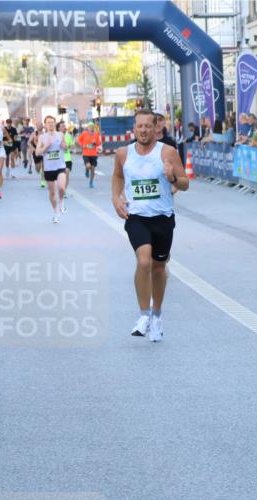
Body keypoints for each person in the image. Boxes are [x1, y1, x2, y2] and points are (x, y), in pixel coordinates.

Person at [111, 108, 190, 343]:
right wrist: (116, 199)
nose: (143, 130)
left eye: (148, 126)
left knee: (158, 267)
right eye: (140, 126)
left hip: (162, 217)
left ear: (156, 128)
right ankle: (144, 314)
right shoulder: (123, 153)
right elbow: (118, 176)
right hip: (136, 216)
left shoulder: (167, 152)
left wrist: (172, 177)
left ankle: (156, 316)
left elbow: (185, 183)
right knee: (144, 261)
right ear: (134, 129)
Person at [36, 116, 69, 222]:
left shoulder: (60, 134)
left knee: (62, 187)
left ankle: (61, 202)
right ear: (45, 125)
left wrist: (64, 146)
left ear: (55, 124)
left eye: (52, 122)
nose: (50, 124)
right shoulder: (42, 137)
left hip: (60, 166)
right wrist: (46, 146)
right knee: (52, 193)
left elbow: (66, 148)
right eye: (48, 122)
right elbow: (37, 152)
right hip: (49, 169)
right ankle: (55, 212)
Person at [78, 122, 102, 188]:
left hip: (94, 154)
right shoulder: (84, 133)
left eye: (92, 127)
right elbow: (79, 140)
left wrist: (95, 143)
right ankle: (86, 170)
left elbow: (99, 143)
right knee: (88, 166)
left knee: (93, 169)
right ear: (87, 128)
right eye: (90, 127)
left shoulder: (96, 134)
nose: (91, 128)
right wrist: (82, 145)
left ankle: (91, 183)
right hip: (86, 153)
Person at [57, 121, 74, 198]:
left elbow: (72, 146)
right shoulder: (56, 136)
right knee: (60, 176)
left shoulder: (68, 135)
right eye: (62, 126)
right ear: (58, 128)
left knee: (66, 174)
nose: (64, 127)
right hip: (58, 159)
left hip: (67, 158)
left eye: (64, 126)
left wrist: (69, 147)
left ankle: (63, 191)